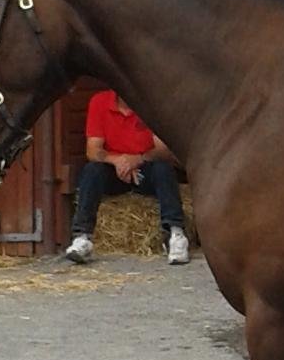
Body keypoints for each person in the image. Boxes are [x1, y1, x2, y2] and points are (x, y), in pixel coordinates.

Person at [63, 88, 189, 266]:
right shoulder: (100, 102)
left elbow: (163, 150)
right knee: (92, 171)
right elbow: (93, 150)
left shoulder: (151, 103)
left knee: (163, 169)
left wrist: (135, 160)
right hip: (115, 170)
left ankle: (176, 234)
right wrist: (117, 161)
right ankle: (82, 237)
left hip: (144, 168)